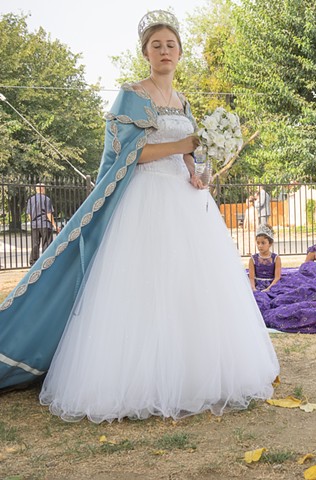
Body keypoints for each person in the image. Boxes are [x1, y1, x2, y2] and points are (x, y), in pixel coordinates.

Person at [0, 11, 279, 420]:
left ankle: (191, 373)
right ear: (146, 53)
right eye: (156, 45)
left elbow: (189, 154)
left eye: (170, 45)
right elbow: (130, 155)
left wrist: (197, 172)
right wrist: (183, 143)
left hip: (185, 201)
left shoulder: (183, 101)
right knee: (146, 286)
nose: (164, 51)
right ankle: (138, 380)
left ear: (180, 53)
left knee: (190, 287)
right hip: (145, 199)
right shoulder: (132, 94)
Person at [25, 183, 60, 266]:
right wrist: (55, 226)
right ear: (42, 189)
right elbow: (48, 213)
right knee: (46, 244)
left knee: (35, 244)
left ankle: (33, 262)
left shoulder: (31, 199)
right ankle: (45, 261)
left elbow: (29, 214)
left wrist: (33, 221)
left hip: (34, 225)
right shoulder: (46, 199)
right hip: (45, 224)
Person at [248, 224, 281, 292]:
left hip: (272, 285)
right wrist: (253, 289)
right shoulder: (252, 259)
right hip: (257, 285)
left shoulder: (276, 258)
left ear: (270, 243)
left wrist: (268, 289)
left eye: (263, 243)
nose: (260, 246)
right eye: (258, 243)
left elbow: (277, 277)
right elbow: (251, 278)